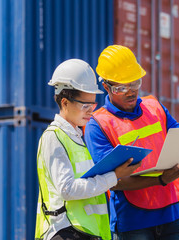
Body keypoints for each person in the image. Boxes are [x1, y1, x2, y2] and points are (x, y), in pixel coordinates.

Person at [84, 45, 179, 240]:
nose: (130, 92)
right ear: (106, 86)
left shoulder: (154, 107)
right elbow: (113, 181)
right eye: (121, 87)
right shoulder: (98, 125)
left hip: (170, 216)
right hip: (132, 224)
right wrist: (161, 180)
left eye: (135, 83)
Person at [34, 59, 141, 240]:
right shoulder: (54, 137)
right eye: (85, 106)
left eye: (93, 105)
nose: (91, 111)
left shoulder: (76, 138)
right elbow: (67, 189)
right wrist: (113, 176)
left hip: (84, 231)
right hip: (65, 230)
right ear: (65, 103)